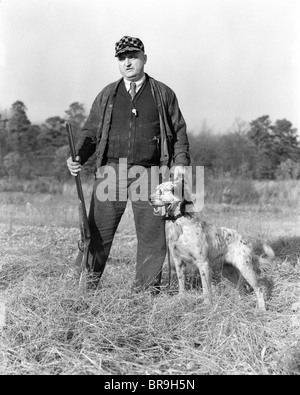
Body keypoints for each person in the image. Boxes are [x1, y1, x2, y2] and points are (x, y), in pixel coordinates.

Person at [67, 35, 190, 293]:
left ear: (144, 58)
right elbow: (90, 132)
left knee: (152, 237)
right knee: (97, 233)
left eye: (132, 56)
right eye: (122, 58)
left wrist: (180, 162)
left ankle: (145, 296)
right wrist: (78, 156)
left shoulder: (163, 93)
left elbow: (178, 131)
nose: (127, 62)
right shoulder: (107, 94)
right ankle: (83, 289)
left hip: (151, 173)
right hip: (111, 171)